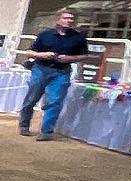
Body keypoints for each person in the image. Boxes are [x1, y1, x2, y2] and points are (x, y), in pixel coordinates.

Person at [19, 8, 90, 141]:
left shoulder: (78, 38)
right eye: (66, 18)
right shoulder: (45, 35)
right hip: (41, 69)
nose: (69, 21)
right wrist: (43, 55)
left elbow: (85, 55)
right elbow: (29, 52)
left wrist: (69, 58)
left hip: (61, 72)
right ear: (58, 20)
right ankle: (24, 125)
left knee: (55, 101)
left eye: (71, 19)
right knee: (31, 99)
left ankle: (46, 131)